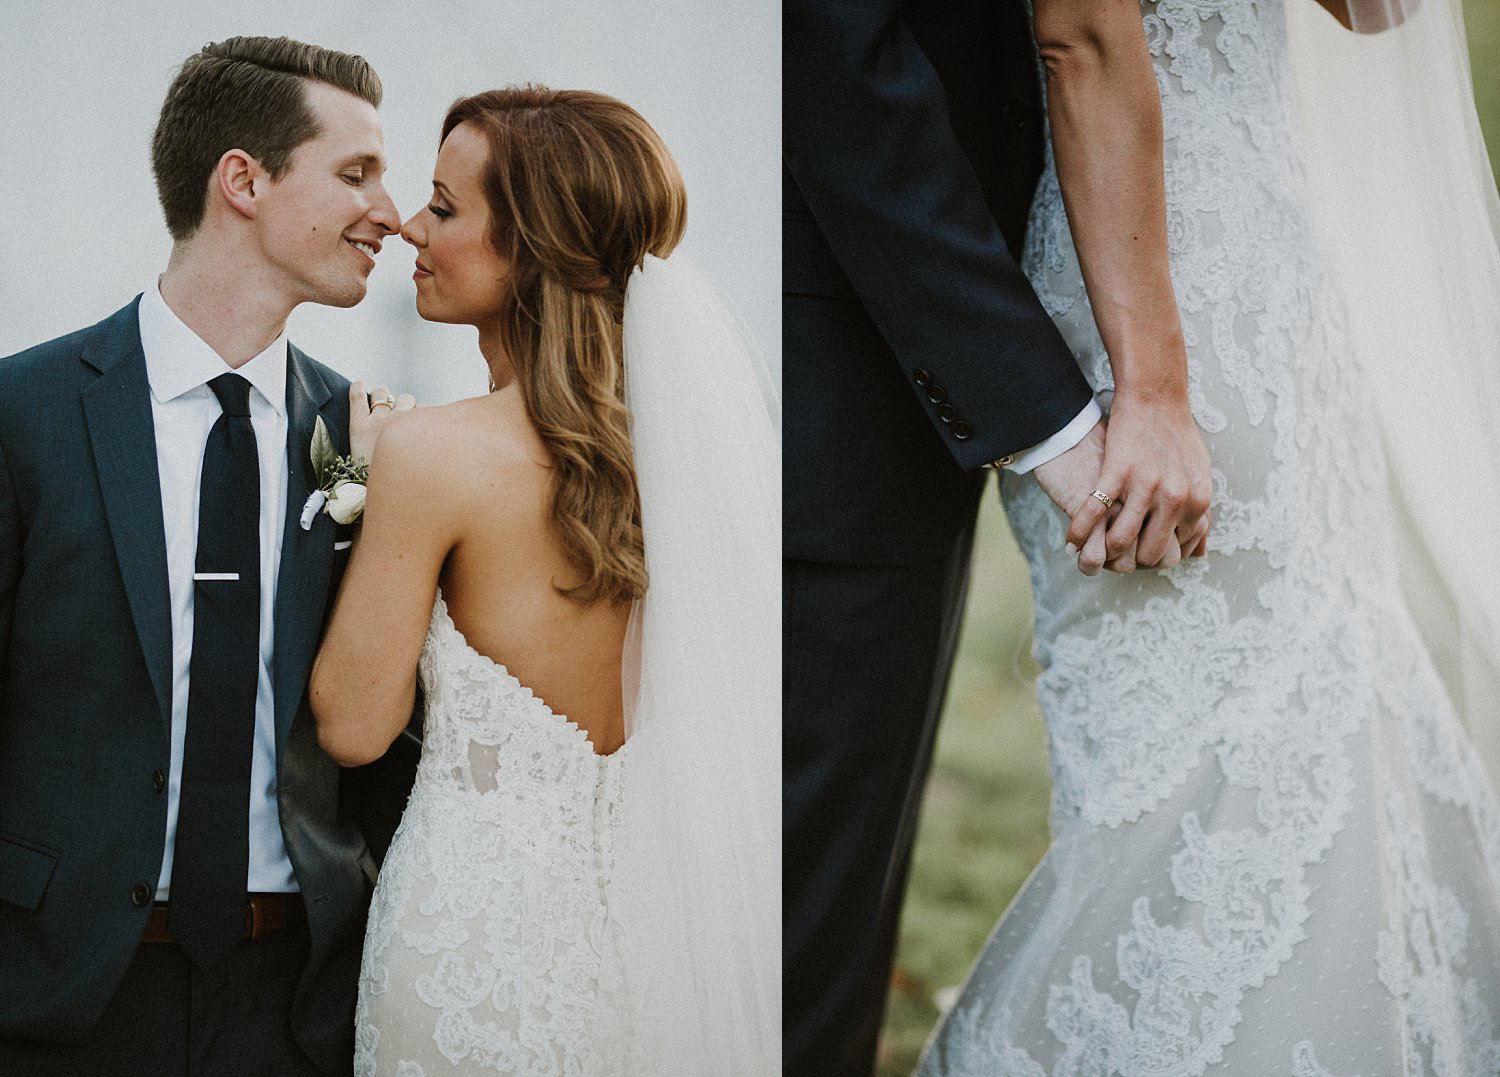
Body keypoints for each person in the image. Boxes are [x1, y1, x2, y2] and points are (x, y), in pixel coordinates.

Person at [918, 0, 1500, 1071]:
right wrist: (1154, 389)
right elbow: (1081, 37)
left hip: (1272, 258)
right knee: (1198, 745)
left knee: (1319, 685)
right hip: (1152, 285)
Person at [308, 86, 779, 1076]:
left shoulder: (431, 456)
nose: (407, 226)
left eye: (443, 206)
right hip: (657, 955)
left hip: (474, 956)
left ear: (529, 248)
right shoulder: (697, 468)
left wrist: (364, 476)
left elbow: (354, 726)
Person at [781, 1, 1214, 1072]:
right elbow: (838, 55)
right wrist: (1048, 412)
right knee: (784, 929)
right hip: (848, 355)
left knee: (830, 914)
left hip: (1171, 282)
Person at [0, 36, 417, 1075]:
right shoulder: (24, 415)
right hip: (60, 996)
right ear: (243, 179)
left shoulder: (375, 444)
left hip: (297, 1006)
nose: (394, 213)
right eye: (356, 173)